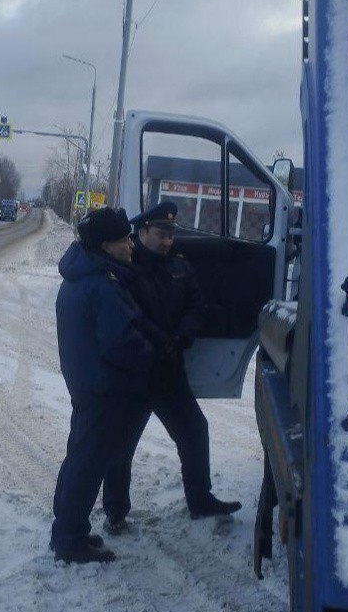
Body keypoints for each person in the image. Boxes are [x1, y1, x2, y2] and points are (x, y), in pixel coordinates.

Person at [102, 201, 241, 535]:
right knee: (121, 446)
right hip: (135, 373)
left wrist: (181, 337)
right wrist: (159, 341)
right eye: (162, 234)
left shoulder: (179, 265)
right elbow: (126, 314)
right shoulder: (124, 266)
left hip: (169, 372)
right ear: (143, 231)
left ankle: (200, 499)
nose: (168, 241)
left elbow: (197, 304)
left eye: (171, 235)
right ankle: (116, 512)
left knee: (195, 431)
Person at [51, 207, 156, 564]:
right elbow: (119, 343)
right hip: (102, 387)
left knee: (80, 455)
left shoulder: (84, 274)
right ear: (107, 245)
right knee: (88, 462)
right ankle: (70, 539)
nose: (130, 245)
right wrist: (150, 354)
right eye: (125, 239)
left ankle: (68, 525)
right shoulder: (101, 284)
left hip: (87, 383)